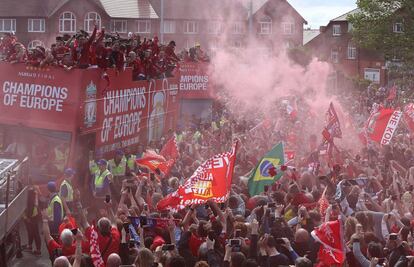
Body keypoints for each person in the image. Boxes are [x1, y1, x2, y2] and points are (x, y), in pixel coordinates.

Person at [22, 186, 41, 256]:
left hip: (31, 217)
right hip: (32, 216)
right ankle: (30, 246)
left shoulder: (30, 195)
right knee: (32, 232)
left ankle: (38, 250)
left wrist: (27, 218)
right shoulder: (33, 192)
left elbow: (31, 207)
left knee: (34, 233)